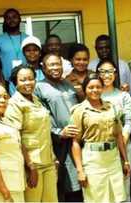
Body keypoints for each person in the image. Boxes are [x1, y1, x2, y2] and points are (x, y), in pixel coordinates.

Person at [71, 73, 130, 202]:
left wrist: (125, 160)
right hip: (93, 160)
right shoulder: (79, 110)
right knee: (96, 198)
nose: (95, 90)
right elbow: (75, 142)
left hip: (113, 158)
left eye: (98, 87)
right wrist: (80, 170)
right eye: (91, 87)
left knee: (117, 197)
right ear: (84, 89)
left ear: (102, 88)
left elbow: (118, 135)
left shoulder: (111, 107)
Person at [5, 65, 58, 202]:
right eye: (23, 80)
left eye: (31, 79)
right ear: (15, 83)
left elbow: (44, 130)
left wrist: (53, 157)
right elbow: (16, 138)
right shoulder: (14, 104)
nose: (28, 83)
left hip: (48, 161)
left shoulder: (36, 100)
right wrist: (30, 166)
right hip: (32, 164)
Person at [35, 53, 83, 201]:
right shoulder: (39, 88)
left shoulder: (67, 84)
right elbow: (40, 118)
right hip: (58, 144)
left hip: (78, 140)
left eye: (58, 64)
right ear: (43, 68)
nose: (56, 68)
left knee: (81, 185)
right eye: (51, 65)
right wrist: (59, 132)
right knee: (64, 187)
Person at [97, 60, 131, 201]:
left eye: (110, 71)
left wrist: (122, 141)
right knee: (107, 188)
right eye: (103, 71)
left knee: (125, 187)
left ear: (115, 73)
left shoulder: (123, 95)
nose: (106, 75)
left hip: (125, 146)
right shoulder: (95, 95)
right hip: (103, 148)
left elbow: (128, 120)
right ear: (98, 73)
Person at [0, 8, 28, 94]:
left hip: (27, 80)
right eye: (8, 18)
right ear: (5, 21)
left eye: (14, 17)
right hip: (6, 83)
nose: (11, 20)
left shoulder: (28, 39)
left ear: (20, 19)